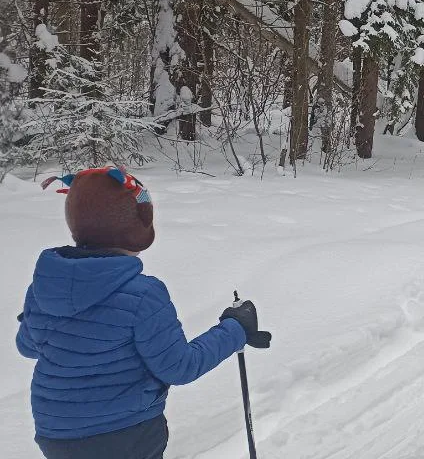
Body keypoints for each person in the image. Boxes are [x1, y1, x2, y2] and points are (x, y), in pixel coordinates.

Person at [16, 166, 268, 459]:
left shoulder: (44, 288)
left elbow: (27, 346)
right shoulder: (141, 295)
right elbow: (179, 367)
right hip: (126, 434)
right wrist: (235, 328)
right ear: (137, 228)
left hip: (55, 436)